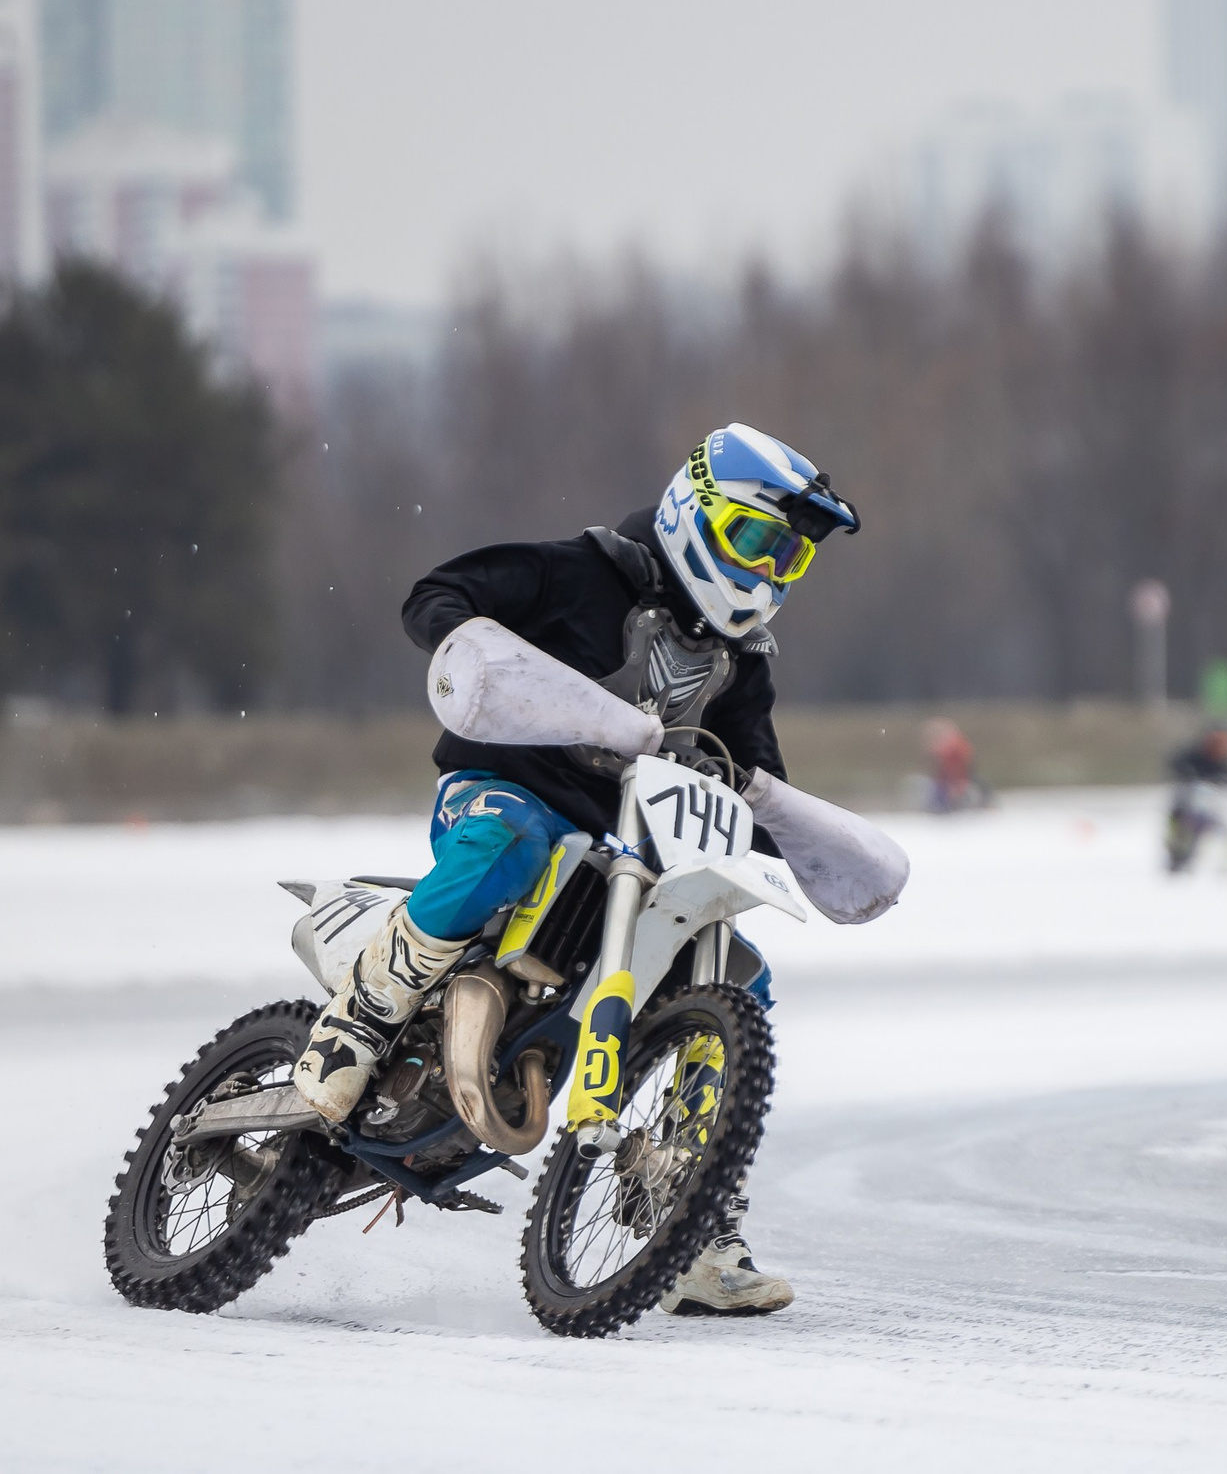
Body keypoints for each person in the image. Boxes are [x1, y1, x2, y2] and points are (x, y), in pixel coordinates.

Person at [293, 424, 909, 1317]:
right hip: (508, 793)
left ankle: (689, 1212)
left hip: (636, 857)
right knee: (510, 841)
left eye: (789, 559)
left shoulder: (740, 664)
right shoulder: (584, 569)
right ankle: (361, 1019)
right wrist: (465, 637)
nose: (769, 572)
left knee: (739, 972)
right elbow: (440, 594)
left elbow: (753, 783)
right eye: (756, 542)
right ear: (694, 510)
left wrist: (772, 811)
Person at [1164, 724, 1227, 874]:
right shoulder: (1193, 754)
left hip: (1208, 806)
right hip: (1186, 804)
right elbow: (1176, 766)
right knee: (1180, 825)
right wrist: (1189, 776)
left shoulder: (1222, 762)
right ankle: (1176, 856)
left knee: (1222, 830)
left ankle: (1226, 864)